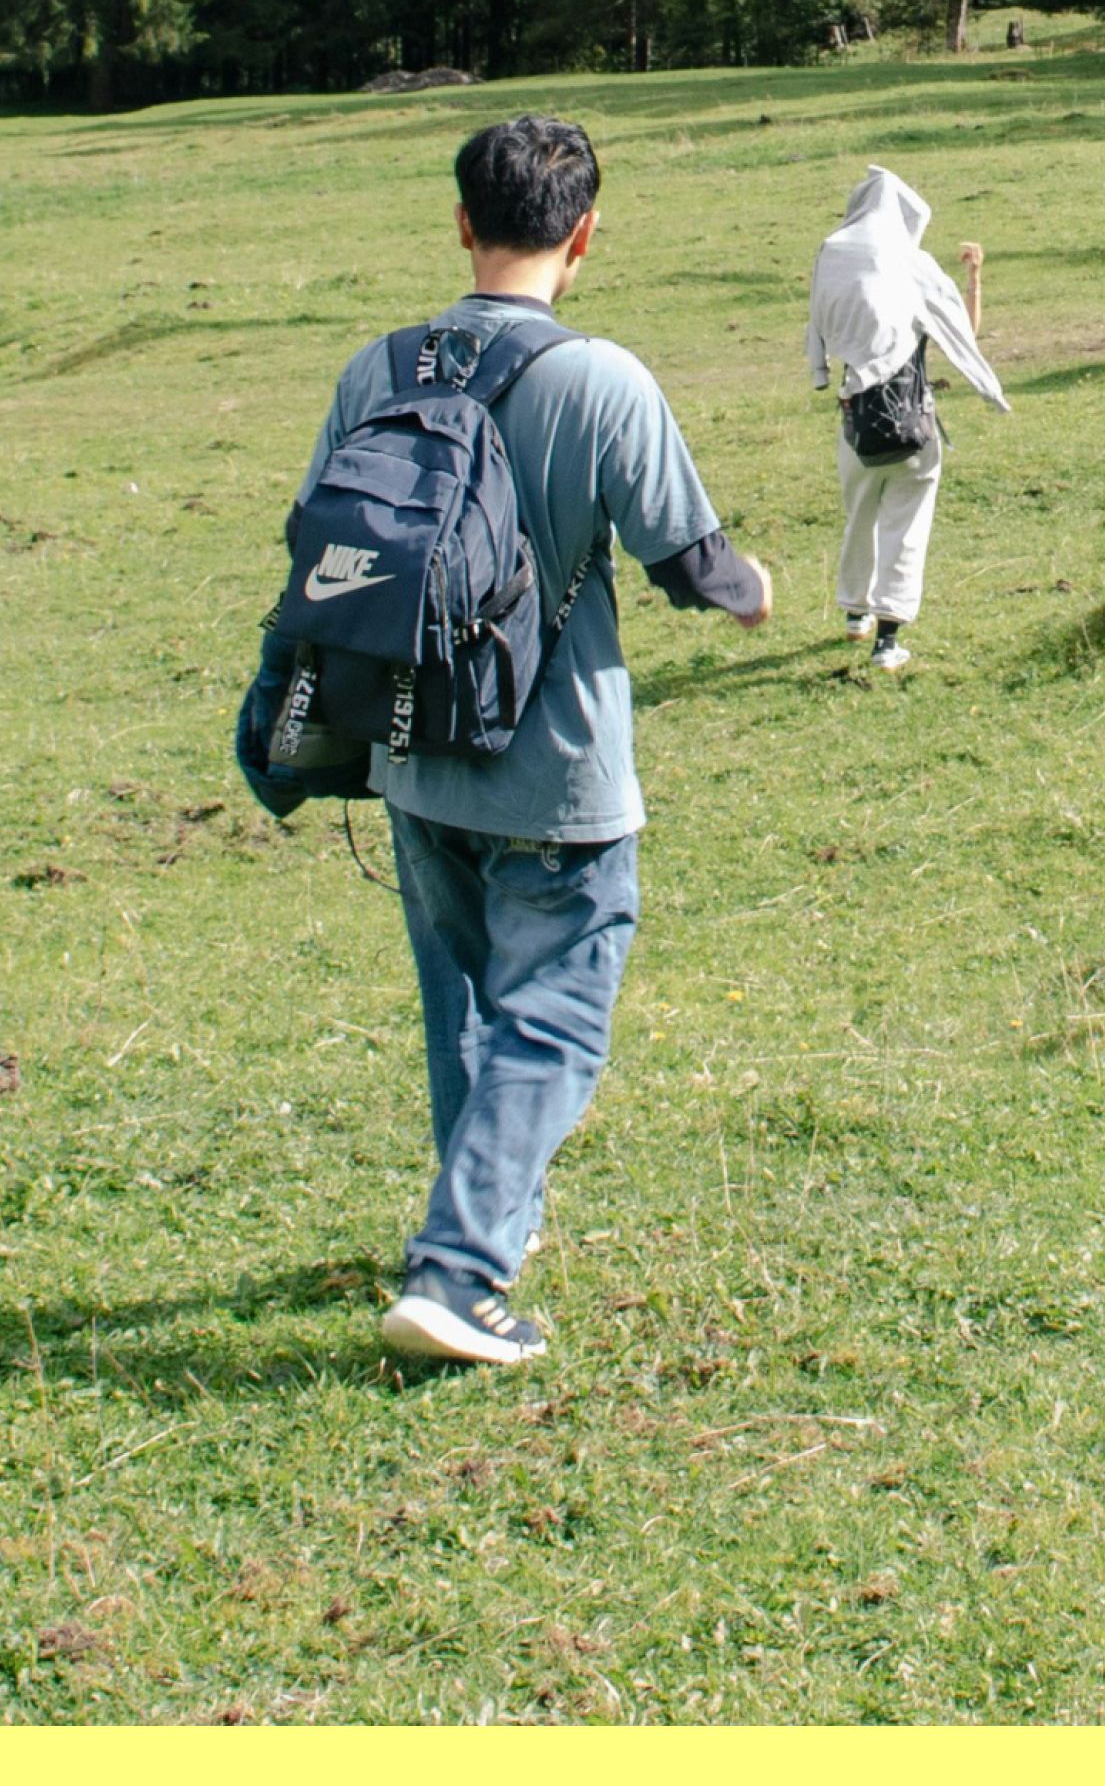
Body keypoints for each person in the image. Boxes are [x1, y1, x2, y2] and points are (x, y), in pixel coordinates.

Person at [311, 116, 771, 1372]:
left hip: (411, 752)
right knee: (555, 1019)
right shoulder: (605, 378)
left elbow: (324, 545)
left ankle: (473, 1231)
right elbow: (693, 565)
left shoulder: (374, 371)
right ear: (585, 236)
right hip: (557, 765)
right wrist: (755, 590)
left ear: (462, 223)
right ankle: (460, 1272)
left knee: (462, 1006)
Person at [804, 165, 1008, 679]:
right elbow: (963, 333)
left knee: (859, 515)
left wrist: (819, 375)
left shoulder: (835, 263)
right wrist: (975, 277)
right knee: (905, 525)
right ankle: (888, 640)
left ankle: (856, 614)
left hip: (855, 416)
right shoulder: (911, 266)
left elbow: (817, 333)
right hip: (911, 422)